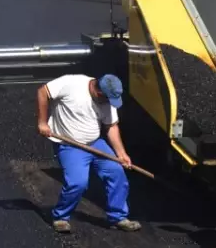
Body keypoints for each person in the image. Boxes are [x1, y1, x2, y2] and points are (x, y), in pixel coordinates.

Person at [36, 73, 141, 234]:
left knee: (117, 173)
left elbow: (111, 127)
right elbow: (43, 92)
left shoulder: (108, 100)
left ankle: (118, 217)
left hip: (95, 143)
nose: (109, 104)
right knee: (78, 182)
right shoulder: (72, 83)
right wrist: (43, 122)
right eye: (107, 99)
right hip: (70, 145)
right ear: (99, 93)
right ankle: (61, 217)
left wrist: (121, 154)